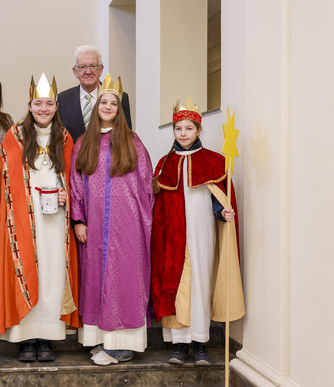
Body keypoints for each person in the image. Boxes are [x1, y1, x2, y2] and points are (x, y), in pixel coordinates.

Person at [0, 74, 80, 363]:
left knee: (52, 273)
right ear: (29, 105)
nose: (43, 108)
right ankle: (26, 338)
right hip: (23, 220)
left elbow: (74, 178)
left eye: (49, 103)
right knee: (26, 267)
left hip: (56, 220)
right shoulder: (14, 136)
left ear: (56, 106)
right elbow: (4, 179)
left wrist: (67, 194)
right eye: (38, 103)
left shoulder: (65, 138)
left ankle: (48, 338)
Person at [151, 97, 244, 366]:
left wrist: (223, 213)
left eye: (189, 129)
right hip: (172, 236)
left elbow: (219, 199)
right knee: (176, 281)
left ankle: (200, 342)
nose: (183, 134)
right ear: (174, 131)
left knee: (201, 282)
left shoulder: (214, 161)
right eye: (178, 129)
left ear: (199, 130)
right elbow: (158, 206)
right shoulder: (164, 164)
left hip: (202, 234)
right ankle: (179, 344)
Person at [70, 74, 154, 366]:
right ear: (96, 108)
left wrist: (143, 224)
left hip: (127, 226)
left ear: (120, 110)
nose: (107, 106)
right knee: (96, 280)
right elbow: (76, 184)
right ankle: (104, 340)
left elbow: (146, 184)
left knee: (124, 280)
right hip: (94, 227)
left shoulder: (132, 142)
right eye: (103, 102)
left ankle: (122, 346)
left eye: (113, 103)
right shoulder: (84, 143)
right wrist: (78, 219)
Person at [58, 45, 132, 141]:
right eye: (82, 67)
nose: (88, 71)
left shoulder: (120, 98)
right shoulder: (62, 100)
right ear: (75, 72)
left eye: (93, 66)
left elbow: (128, 137)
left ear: (100, 70)